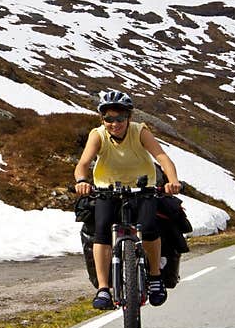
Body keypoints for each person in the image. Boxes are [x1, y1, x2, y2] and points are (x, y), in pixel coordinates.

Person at [74, 89, 181, 310]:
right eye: (109, 119)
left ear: (129, 118)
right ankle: (104, 289)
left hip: (142, 189)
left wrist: (172, 181)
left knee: (149, 228)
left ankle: (154, 277)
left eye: (120, 118)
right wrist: (82, 180)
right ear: (102, 119)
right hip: (107, 189)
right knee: (102, 232)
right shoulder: (98, 135)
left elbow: (162, 157)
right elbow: (83, 163)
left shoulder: (140, 131)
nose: (114, 123)